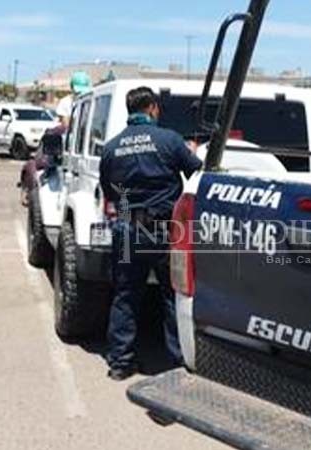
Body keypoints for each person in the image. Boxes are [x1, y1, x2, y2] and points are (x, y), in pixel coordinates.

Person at [99, 87, 203, 381]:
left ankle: (120, 363)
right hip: (165, 230)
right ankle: (176, 364)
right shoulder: (169, 140)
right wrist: (191, 152)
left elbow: (109, 193)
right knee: (173, 296)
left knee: (126, 296)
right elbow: (197, 171)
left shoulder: (111, 147)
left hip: (128, 230)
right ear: (153, 108)